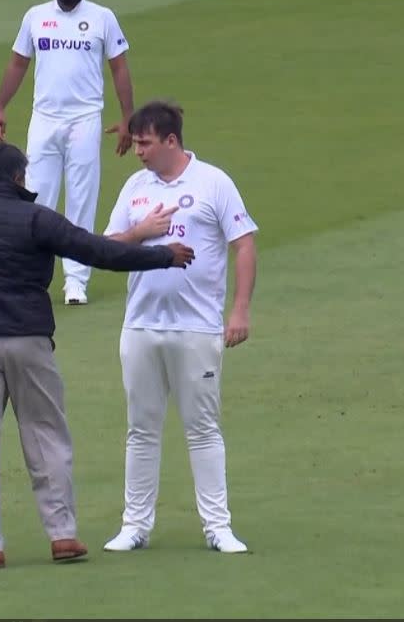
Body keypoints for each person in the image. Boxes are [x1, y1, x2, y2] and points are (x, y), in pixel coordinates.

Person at [0, 138, 194, 568]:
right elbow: (98, 251)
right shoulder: (37, 219)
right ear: (18, 177)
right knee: (47, 437)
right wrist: (161, 256)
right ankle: (63, 536)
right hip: (30, 342)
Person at [101, 100, 258, 554]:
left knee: (203, 428)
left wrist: (240, 310)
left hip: (197, 327)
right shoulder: (135, 187)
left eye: (145, 143)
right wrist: (142, 232)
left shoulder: (213, 182)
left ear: (171, 141)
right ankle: (135, 526)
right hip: (141, 326)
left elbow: (244, 244)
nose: (138, 151)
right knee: (141, 428)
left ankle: (218, 527)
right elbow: (107, 246)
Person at [0, 0, 135, 306]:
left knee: (82, 198)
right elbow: (18, 64)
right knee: (35, 197)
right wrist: (0, 106)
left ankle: (76, 281)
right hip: (44, 118)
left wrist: (127, 118)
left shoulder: (102, 18)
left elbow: (119, 68)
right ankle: (31, 275)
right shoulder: (35, 16)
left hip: (85, 118)